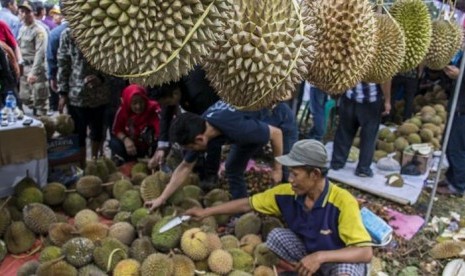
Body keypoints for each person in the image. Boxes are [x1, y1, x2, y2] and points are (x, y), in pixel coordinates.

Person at [184, 139, 373, 276]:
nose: (290, 179)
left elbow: (365, 252)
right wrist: (205, 212)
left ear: (314, 174)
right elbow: (246, 204)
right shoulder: (287, 193)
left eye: (295, 174)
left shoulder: (342, 202)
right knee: (275, 236)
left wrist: (320, 257)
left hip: (338, 260)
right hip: (309, 253)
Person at [145, 100, 286, 210]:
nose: (191, 151)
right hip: (248, 121)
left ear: (200, 139)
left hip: (278, 120)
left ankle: (289, 213)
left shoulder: (238, 129)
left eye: (190, 147)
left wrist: (277, 168)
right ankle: (242, 211)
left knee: (287, 172)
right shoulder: (202, 126)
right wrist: (161, 198)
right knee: (232, 168)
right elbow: (185, 167)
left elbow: (276, 134)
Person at [150, 66, 220, 185]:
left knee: (209, 135)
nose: (166, 105)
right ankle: (198, 167)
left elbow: (211, 127)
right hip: (195, 97)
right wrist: (162, 146)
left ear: (175, 94)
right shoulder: (168, 81)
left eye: (167, 102)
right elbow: (166, 114)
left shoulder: (198, 93)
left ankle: (211, 175)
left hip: (213, 103)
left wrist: (192, 163)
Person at [57, 27, 110, 167]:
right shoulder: (68, 33)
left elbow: (114, 63)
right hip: (76, 95)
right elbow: (63, 63)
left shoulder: (106, 31)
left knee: (98, 132)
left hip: (100, 95)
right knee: (78, 134)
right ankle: (81, 166)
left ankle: (94, 163)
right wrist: (63, 93)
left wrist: (101, 78)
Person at [331, 81, 391, 177]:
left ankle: (337, 162)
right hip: (371, 102)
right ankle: (363, 169)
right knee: (369, 137)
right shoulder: (379, 65)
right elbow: (386, 79)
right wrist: (387, 101)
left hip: (349, 98)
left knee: (344, 132)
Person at [110, 84, 161, 164]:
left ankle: (152, 160)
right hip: (131, 147)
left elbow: (160, 130)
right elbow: (116, 130)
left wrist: (159, 152)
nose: (138, 106)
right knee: (114, 143)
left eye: (141, 102)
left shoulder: (153, 108)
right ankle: (128, 162)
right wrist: (126, 140)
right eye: (134, 103)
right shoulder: (122, 111)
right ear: (128, 102)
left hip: (148, 146)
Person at [436, 59, 465, 197]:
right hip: (457, 107)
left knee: (456, 149)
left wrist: (460, 75)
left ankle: (457, 186)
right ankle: (450, 178)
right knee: (449, 146)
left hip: (463, 112)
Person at [17, 0, 49, 116]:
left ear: (33, 13)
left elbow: (40, 53)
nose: (24, 14)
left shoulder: (39, 30)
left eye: (27, 12)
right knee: (25, 97)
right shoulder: (22, 29)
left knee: (40, 100)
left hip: (36, 69)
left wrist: (34, 72)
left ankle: (44, 125)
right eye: (22, 11)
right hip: (24, 68)